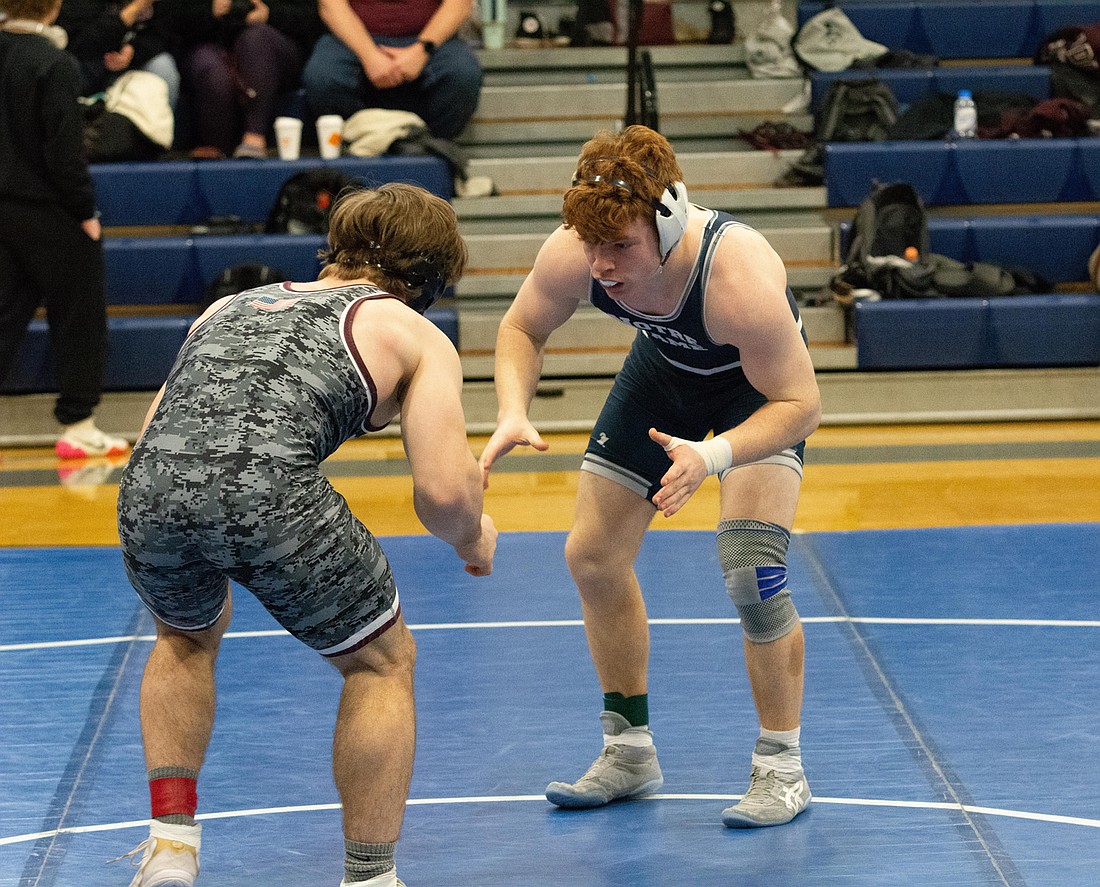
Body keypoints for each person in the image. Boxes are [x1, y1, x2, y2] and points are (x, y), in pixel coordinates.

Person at [114, 183, 497, 886]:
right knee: (381, 663)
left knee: (183, 638)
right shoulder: (413, 333)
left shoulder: (226, 306)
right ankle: (371, 876)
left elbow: (155, 438)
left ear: (333, 251)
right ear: (432, 279)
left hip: (150, 489)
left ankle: (170, 849)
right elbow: (444, 495)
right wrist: (475, 539)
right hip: (270, 493)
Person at [480, 126, 822, 828]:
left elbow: (801, 404)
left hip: (757, 394)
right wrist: (513, 408)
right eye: (592, 246)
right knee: (592, 556)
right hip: (665, 376)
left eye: (621, 248)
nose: (602, 266)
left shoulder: (736, 277)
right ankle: (628, 748)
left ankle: (782, 767)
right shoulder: (576, 252)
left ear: (666, 221)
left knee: (751, 568)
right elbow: (521, 329)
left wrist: (716, 453)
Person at [0, 0, 130, 459]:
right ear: (53, 8)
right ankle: (78, 422)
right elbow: (63, 146)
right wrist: (83, 210)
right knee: (80, 313)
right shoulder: (52, 61)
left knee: (5, 314)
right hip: (45, 206)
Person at [303, 0, 482, 141]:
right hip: (353, 41)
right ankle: (358, 141)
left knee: (462, 75)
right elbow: (331, 6)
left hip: (431, 41)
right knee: (323, 76)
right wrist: (369, 55)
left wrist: (421, 50)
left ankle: (432, 146)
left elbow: (459, 5)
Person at [172, 0, 322, 159]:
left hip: (274, 43)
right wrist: (211, 11)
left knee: (255, 40)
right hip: (206, 42)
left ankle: (254, 136)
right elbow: (173, 19)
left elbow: (311, 17)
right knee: (212, 70)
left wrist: (269, 14)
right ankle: (216, 153)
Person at [56, 0, 181, 110]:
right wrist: (136, 8)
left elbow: (162, 35)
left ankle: (156, 134)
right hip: (88, 58)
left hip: (131, 58)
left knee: (164, 69)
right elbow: (82, 44)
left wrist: (133, 51)